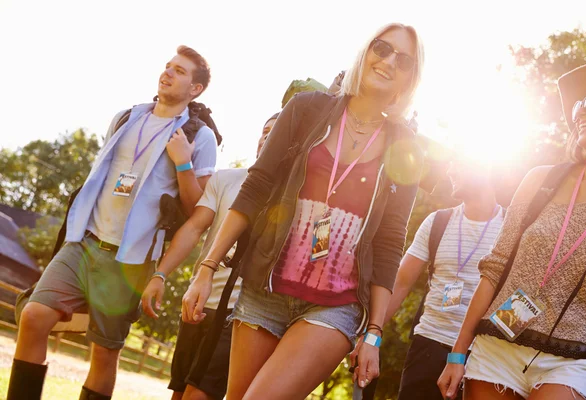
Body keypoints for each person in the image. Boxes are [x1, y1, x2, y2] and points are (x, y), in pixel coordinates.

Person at [181, 22, 425, 400]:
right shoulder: (307, 110)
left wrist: (374, 331)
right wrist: (206, 268)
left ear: (410, 78)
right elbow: (256, 187)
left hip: (336, 305)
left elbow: (391, 240)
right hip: (265, 288)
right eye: (382, 48)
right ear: (366, 52)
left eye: (404, 60)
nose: (389, 61)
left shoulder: (407, 147)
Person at [7, 46, 218, 400]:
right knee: (32, 317)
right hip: (83, 243)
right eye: (167, 66)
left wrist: (182, 162)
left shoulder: (200, 137)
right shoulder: (126, 117)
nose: (167, 73)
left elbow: (196, 207)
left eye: (180, 71)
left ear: (195, 88)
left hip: (129, 262)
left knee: (104, 355)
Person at [438, 61, 586, 400]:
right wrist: (457, 352)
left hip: (577, 359)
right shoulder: (540, 180)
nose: (582, 112)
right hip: (498, 344)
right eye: (578, 105)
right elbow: (495, 267)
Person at [141, 113, 279, 400]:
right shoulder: (225, 180)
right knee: (179, 393)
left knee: (198, 395)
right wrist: (160, 274)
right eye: (265, 130)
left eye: (276, 132)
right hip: (200, 302)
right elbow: (193, 228)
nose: (267, 136)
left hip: (241, 314)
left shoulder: (292, 197)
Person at [376, 158, 504, 400]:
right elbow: (401, 282)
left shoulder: (512, 228)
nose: (450, 170)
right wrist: (372, 333)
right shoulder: (438, 221)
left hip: (483, 356)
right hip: (428, 346)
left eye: (459, 161)